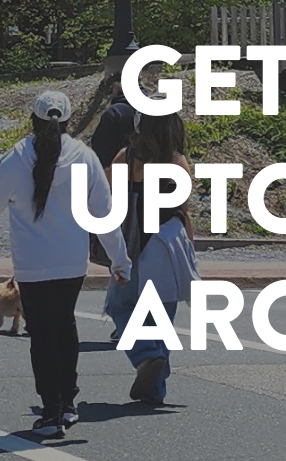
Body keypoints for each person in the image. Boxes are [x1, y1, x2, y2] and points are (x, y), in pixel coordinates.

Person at [0, 91, 132, 438]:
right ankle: (68, 404)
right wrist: (120, 260)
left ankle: (50, 411)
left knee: (41, 334)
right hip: (71, 262)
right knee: (65, 327)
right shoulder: (84, 157)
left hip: (32, 265)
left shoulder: (17, 157)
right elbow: (104, 214)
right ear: (68, 122)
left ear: (32, 121)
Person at [105, 102, 197, 405]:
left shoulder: (125, 158)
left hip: (133, 242)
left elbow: (106, 198)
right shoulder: (177, 162)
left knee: (121, 306)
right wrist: (190, 248)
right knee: (161, 320)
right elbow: (184, 210)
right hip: (168, 242)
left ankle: (146, 355)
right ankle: (155, 389)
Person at [90, 80, 149, 343]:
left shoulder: (115, 118)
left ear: (117, 91)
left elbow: (100, 155)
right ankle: (146, 325)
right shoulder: (164, 137)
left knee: (125, 261)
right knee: (148, 268)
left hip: (127, 200)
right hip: (158, 209)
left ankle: (124, 323)